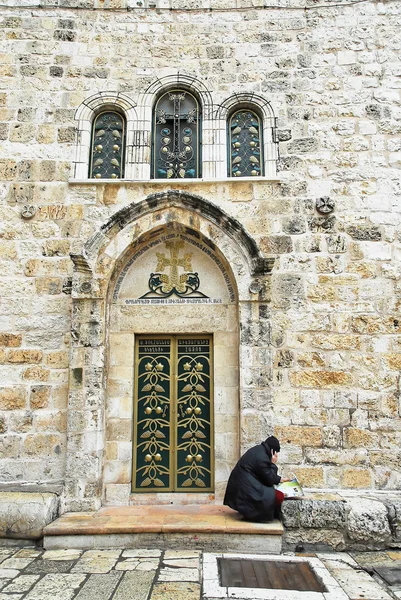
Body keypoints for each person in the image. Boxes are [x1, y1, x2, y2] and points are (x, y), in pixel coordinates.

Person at [223, 435, 286, 522]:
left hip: (243, 487)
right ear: (272, 451)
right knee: (279, 496)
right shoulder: (263, 458)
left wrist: (279, 479)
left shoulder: (259, 450)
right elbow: (269, 479)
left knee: (273, 492)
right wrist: (273, 463)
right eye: (276, 452)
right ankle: (258, 514)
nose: (277, 455)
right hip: (246, 490)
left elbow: (264, 474)